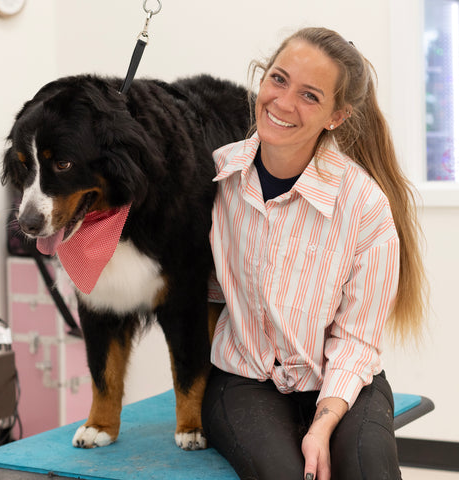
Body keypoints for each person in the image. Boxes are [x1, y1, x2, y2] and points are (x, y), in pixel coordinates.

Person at [202, 27, 428, 480]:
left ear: (336, 116)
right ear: (262, 79)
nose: (284, 103)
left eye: (309, 95)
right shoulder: (216, 178)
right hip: (246, 379)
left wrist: (322, 425)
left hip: (344, 380)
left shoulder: (366, 205)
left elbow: (358, 340)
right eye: (279, 80)